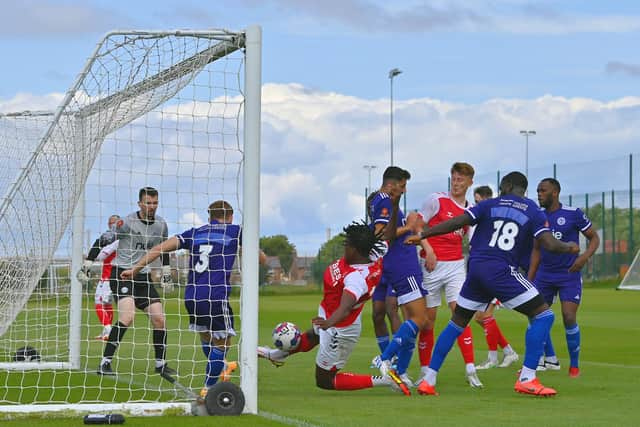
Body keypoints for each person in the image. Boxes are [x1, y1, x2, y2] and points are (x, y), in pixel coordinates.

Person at [406, 172, 579, 396]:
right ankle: (528, 378)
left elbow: (459, 221)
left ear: (505, 186)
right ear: (523, 190)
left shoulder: (488, 205)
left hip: (476, 268)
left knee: (456, 323)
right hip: (501, 270)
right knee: (544, 315)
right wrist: (569, 247)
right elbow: (549, 244)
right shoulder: (532, 209)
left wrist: (424, 234)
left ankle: (428, 380)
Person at [257, 203, 407, 394]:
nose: (345, 246)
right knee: (312, 335)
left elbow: (345, 307)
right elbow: (389, 237)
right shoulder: (373, 253)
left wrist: (328, 323)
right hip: (331, 316)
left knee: (325, 380)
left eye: (348, 244)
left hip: (340, 328)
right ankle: (275, 355)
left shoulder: (356, 279)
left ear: (356, 250)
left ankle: (385, 380)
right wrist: (394, 207)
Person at [121, 200, 259, 396]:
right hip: (215, 295)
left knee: (207, 338)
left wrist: (135, 268)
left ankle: (222, 367)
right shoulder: (235, 231)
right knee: (224, 342)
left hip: (192, 296)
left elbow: (159, 248)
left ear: (209, 217)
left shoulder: (194, 233)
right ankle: (209, 389)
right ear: (230, 217)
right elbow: (260, 258)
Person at [414, 162, 482, 387]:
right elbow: (418, 226)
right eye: (454, 178)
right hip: (431, 265)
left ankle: (471, 369)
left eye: (461, 179)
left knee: (460, 312)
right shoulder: (436, 200)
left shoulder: (470, 210)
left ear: (470, 182)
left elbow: (472, 240)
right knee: (428, 320)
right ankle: (425, 370)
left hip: (455, 266)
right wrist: (429, 249)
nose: (456, 182)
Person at [97, 187, 176, 378]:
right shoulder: (127, 222)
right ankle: (105, 363)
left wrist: (166, 273)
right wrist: (88, 263)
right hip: (122, 273)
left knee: (159, 319)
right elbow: (104, 239)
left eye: (155, 203)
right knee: (127, 317)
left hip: (143, 277)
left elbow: (162, 249)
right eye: (148, 203)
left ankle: (160, 364)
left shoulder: (161, 225)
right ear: (139, 203)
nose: (152, 206)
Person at [529, 178, 600, 377]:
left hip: (569, 274)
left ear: (555, 192)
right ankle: (541, 361)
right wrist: (530, 279)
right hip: (544, 274)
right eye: (537, 191)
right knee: (537, 316)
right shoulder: (538, 216)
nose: (539, 194)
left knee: (569, 317)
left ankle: (574, 365)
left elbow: (594, 237)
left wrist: (584, 258)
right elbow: (535, 250)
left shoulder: (573, 214)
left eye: (543, 191)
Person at [369, 166, 430, 392]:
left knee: (414, 321)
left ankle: (399, 370)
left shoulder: (383, 201)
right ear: (392, 184)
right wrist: (410, 227)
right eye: (402, 186)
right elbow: (383, 234)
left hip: (400, 265)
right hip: (403, 266)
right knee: (419, 318)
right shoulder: (383, 200)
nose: (404, 191)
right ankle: (385, 359)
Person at [470, 186, 519, 370]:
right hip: (482, 273)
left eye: (477, 201)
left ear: (486, 199)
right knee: (479, 317)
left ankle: (492, 358)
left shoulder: (494, 218)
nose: (476, 205)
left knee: (485, 315)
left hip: (495, 273)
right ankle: (508, 351)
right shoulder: (479, 219)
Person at [84, 215, 121, 341]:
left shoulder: (115, 241)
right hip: (113, 276)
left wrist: (91, 256)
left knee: (98, 303)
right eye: (109, 223)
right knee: (107, 304)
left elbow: (101, 256)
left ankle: (108, 329)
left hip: (108, 278)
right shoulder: (121, 239)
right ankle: (107, 332)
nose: (111, 225)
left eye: (113, 222)